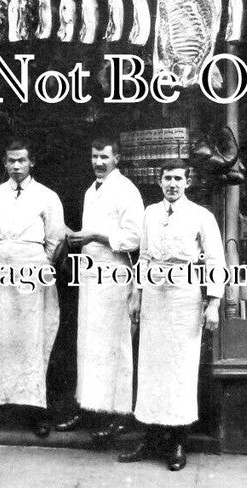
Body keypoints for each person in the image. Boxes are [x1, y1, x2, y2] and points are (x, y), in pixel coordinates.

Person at [119, 159, 226, 472]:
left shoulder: (201, 215)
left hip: (184, 296)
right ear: (160, 181)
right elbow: (143, 256)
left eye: (178, 178)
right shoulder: (150, 213)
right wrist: (137, 293)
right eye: (167, 178)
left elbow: (215, 260)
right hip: (154, 296)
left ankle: (178, 441)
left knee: (180, 367)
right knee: (151, 367)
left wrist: (213, 303)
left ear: (188, 181)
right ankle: (150, 437)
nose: (172, 184)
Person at [54, 136, 143, 445]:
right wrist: (77, 237)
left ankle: (118, 415)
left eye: (104, 157)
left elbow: (134, 238)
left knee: (114, 345)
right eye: (94, 156)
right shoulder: (90, 191)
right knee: (89, 344)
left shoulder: (126, 190)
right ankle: (90, 407)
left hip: (115, 274)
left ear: (117, 158)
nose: (98, 162)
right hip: (91, 275)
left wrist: (94, 236)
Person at [0, 139, 67, 438]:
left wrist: (34, 261)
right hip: (0, 272)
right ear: (5, 163)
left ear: (31, 162)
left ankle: (36, 412)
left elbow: (55, 239)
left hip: (33, 272)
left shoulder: (47, 196)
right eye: (11, 161)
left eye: (22, 160)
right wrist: (2, 257)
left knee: (32, 338)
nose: (16, 166)